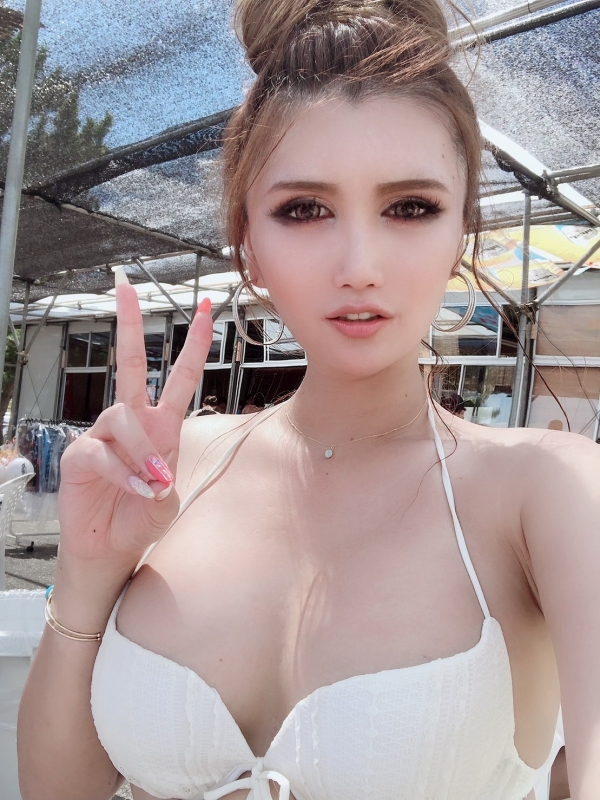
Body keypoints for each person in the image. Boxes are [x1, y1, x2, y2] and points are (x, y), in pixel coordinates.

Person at [18, 2, 599, 799]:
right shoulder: (169, 471)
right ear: (248, 244)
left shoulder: (548, 488)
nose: (359, 265)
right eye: (304, 210)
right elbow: (60, 789)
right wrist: (87, 573)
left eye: (410, 207)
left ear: (461, 232)